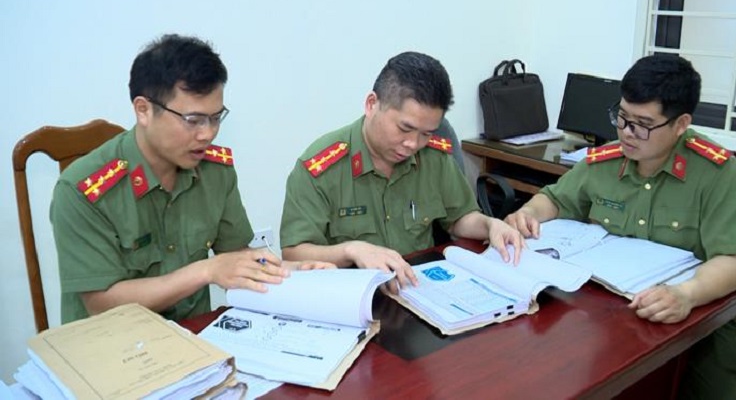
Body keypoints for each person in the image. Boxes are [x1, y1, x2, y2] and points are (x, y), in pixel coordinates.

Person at [504, 54, 736, 399]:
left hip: (693, 318)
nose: (626, 132)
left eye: (643, 124)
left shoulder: (716, 172)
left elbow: (735, 260)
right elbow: (555, 199)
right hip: (608, 314)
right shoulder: (606, 160)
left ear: (681, 124)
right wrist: (528, 213)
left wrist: (687, 295)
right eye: (622, 117)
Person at [51, 34, 331, 324]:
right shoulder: (83, 190)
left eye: (216, 118)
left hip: (192, 334)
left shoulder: (215, 170)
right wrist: (206, 270)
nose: (207, 134)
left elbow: (236, 256)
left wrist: (291, 272)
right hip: (110, 339)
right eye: (193, 120)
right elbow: (101, 304)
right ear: (143, 110)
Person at [280, 51, 525, 292]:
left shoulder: (434, 155)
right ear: (372, 104)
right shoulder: (322, 167)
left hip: (419, 288)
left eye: (426, 133)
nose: (413, 144)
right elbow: (293, 253)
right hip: (353, 295)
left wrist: (490, 225)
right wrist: (351, 250)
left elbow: (460, 218)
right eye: (404, 128)